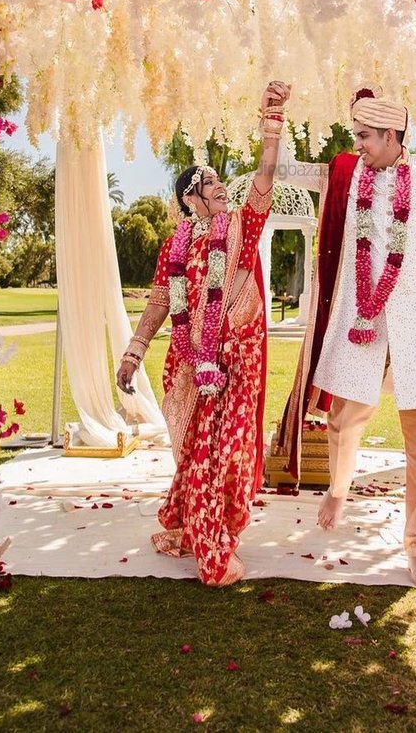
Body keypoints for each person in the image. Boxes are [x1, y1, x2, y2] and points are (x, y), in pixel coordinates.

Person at [275, 87, 416, 589]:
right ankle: (337, 487)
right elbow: (291, 173)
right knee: (342, 416)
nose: (360, 146)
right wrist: (276, 122)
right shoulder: (354, 180)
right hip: (364, 320)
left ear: (393, 135)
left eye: (366, 137)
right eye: (356, 137)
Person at [117, 82, 289, 587]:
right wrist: (134, 351)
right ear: (189, 197)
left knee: (232, 451)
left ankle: (192, 523)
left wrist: (272, 123)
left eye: (219, 181)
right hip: (196, 361)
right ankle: (211, 547)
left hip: (241, 358)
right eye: (208, 182)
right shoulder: (177, 245)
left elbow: (264, 177)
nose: (219, 186)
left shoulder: (241, 226)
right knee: (203, 452)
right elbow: (160, 302)